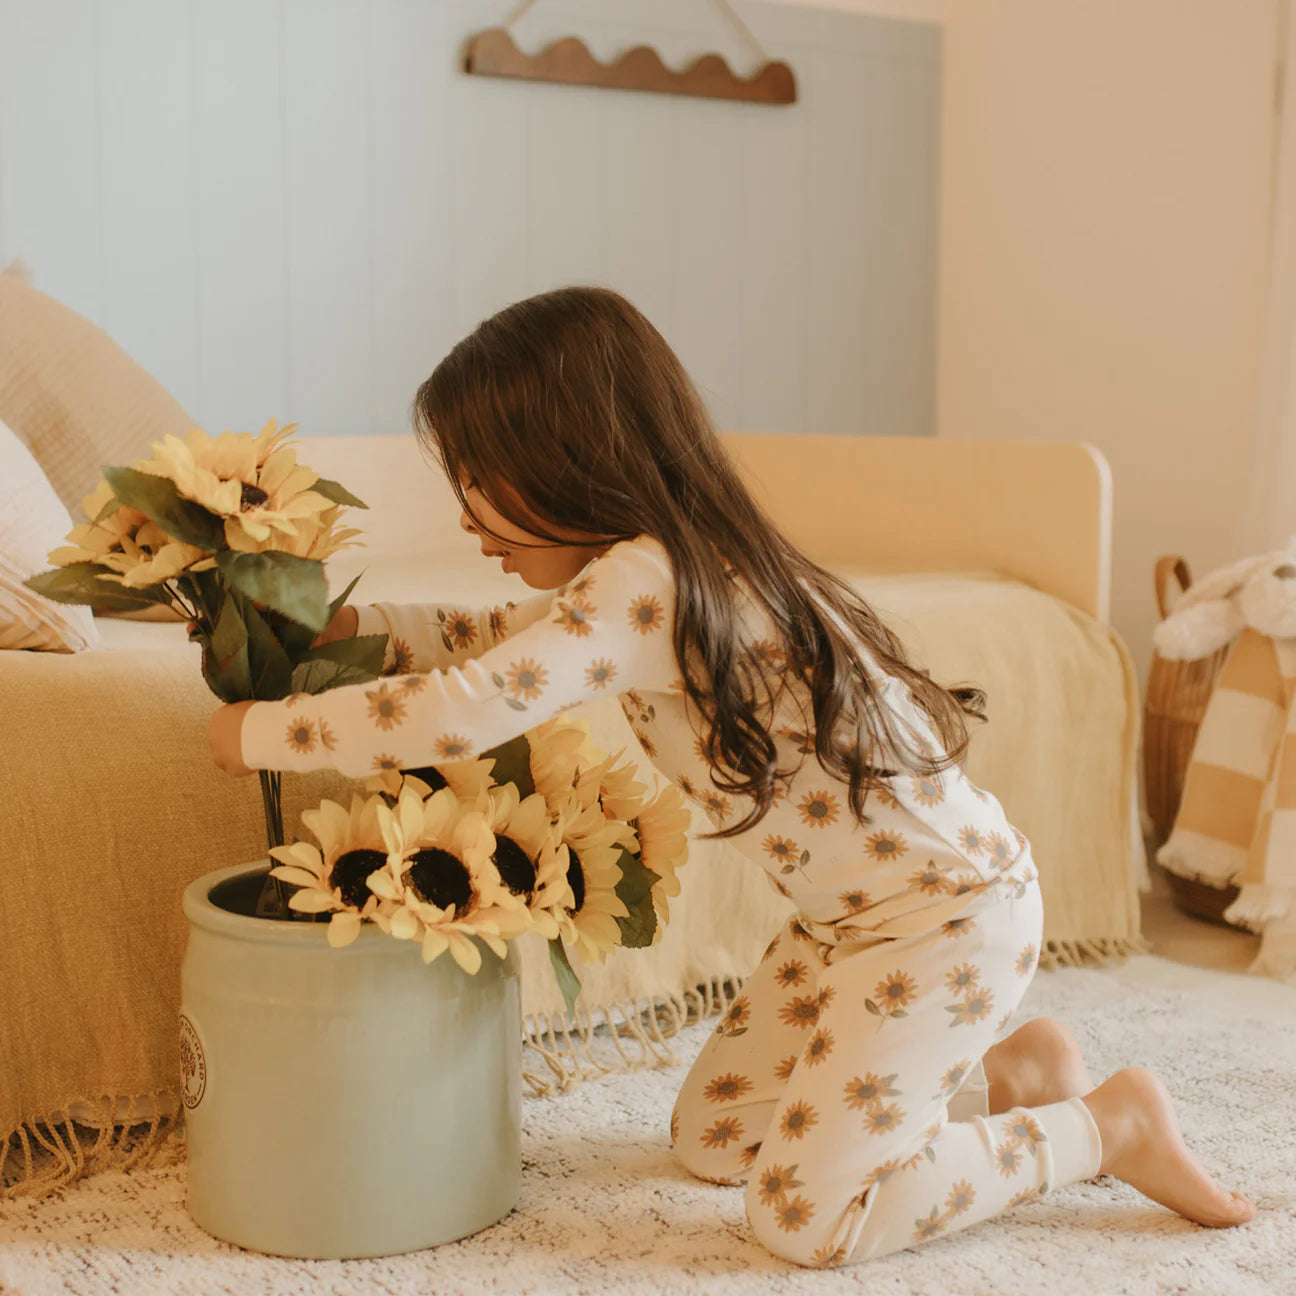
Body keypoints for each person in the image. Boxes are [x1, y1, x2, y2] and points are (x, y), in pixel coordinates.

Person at [207, 286, 1254, 1267]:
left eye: (480, 492)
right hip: (851, 927)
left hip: (945, 922)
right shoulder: (655, 568)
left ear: (565, 459)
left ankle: (1103, 1127)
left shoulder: (649, 579)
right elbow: (500, 644)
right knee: (716, 1140)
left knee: (808, 1219)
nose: (471, 526)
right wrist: (366, 628)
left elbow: (467, 705)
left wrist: (267, 730)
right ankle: (1013, 1078)